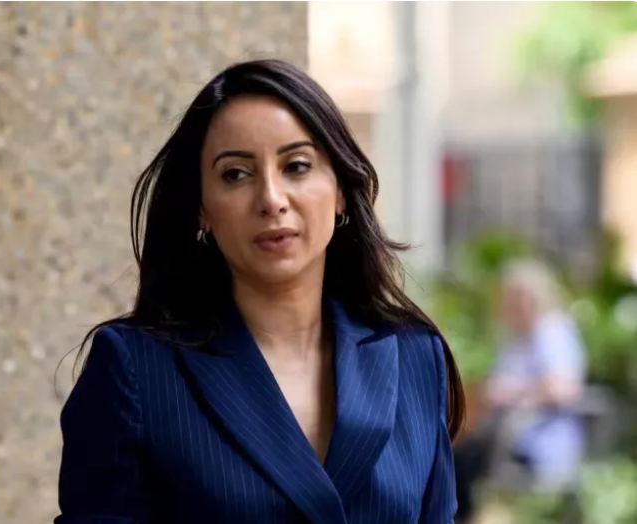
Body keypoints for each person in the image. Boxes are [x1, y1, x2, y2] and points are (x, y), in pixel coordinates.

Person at [54, 59, 464, 524]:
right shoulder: (136, 370)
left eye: (297, 166)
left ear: (340, 191)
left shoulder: (415, 359)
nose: (271, 199)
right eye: (236, 174)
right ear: (203, 209)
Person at [454, 259, 587, 522]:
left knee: (462, 462)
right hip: (504, 436)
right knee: (455, 454)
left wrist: (515, 393)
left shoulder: (553, 332)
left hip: (537, 440)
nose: (512, 305)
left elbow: (564, 389)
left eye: (518, 298)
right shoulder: (515, 338)